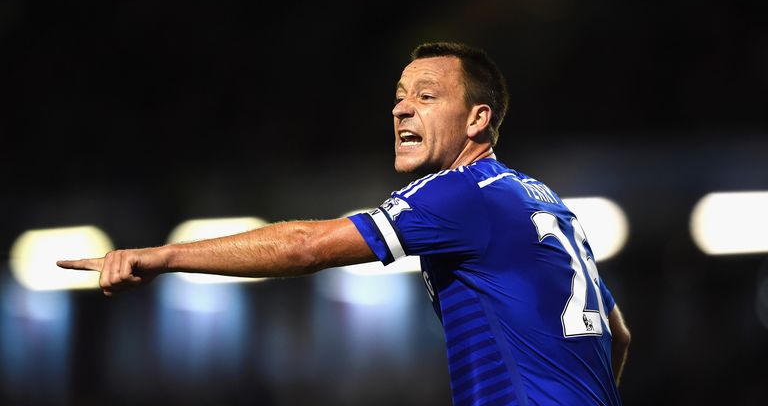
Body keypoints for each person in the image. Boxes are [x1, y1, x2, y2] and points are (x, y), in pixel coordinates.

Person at [58, 42, 630, 405]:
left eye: (426, 96)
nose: (401, 109)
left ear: (478, 119)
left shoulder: (457, 193)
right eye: (400, 97)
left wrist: (163, 256)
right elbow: (616, 333)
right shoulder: (543, 200)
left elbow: (304, 246)